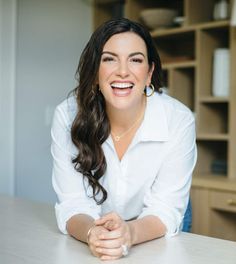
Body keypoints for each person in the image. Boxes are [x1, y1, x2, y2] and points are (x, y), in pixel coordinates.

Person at [51, 17, 197, 260]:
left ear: (149, 72)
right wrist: (92, 233)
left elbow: (165, 208)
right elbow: (72, 203)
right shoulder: (67, 117)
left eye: (136, 60)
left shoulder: (179, 120)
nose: (122, 71)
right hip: (97, 225)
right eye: (109, 59)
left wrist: (129, 232)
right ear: (95, 71)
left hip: (155, 225)